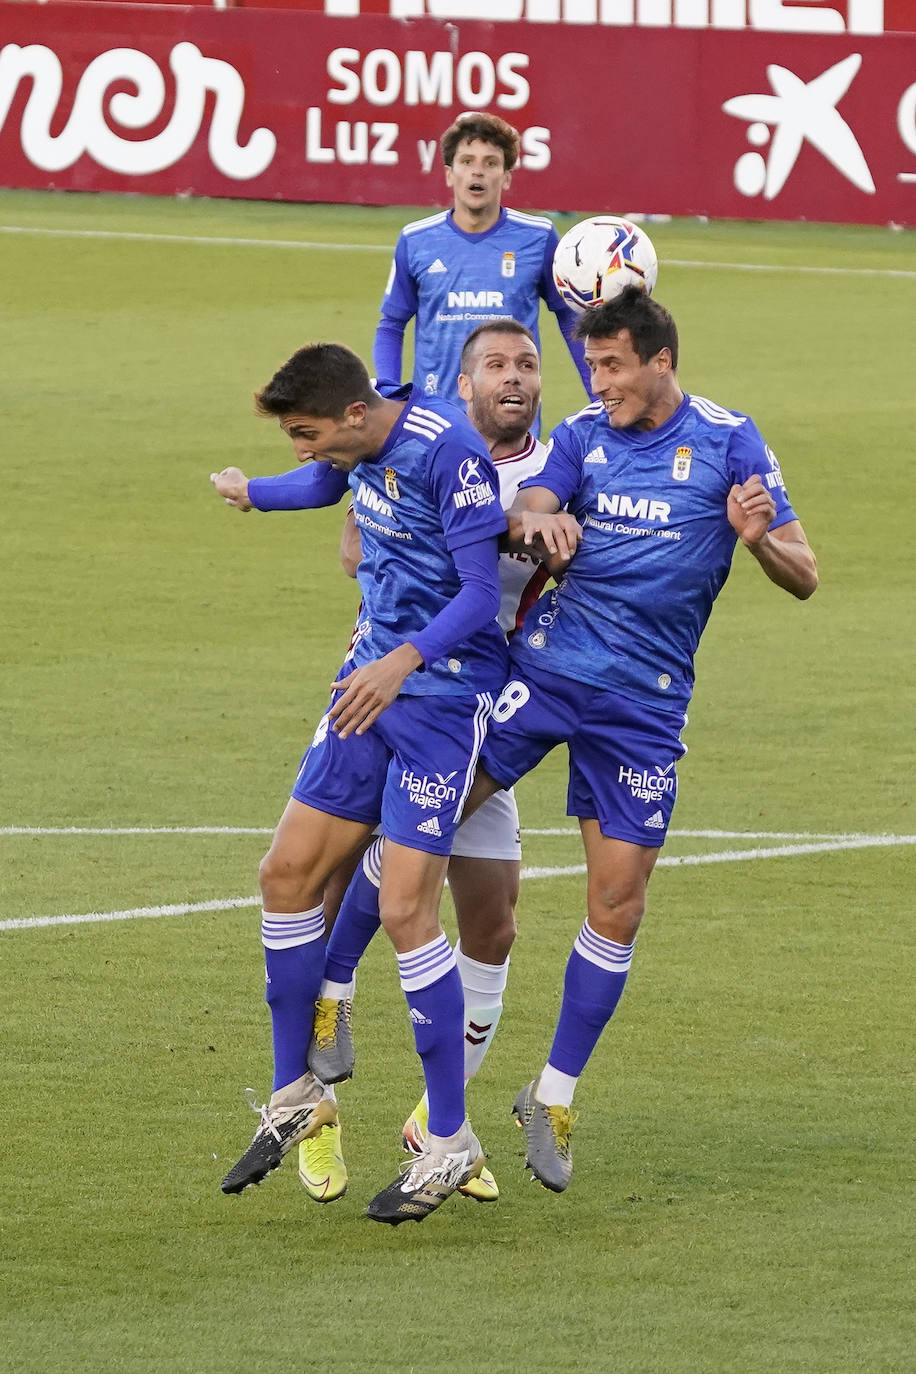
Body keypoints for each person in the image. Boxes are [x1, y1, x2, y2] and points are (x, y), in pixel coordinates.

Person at [322, 288, 819, 1195]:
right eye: (590, 367)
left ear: (662, 361)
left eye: (615, 367)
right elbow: (539, 494)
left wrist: (756, 543)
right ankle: (334, 993)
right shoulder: (587, 435)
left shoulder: (730, 440)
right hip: (544, 675)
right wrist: (540, 517)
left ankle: (550, 1095)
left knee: (619, 902)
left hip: (646, 705)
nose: (599, 384)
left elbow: (805, 573)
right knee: (421, 820)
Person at [214, 321, 551, 1208]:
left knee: (407, 909)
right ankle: (299, 1093)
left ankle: (447, 1138)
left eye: (308, 432)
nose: (306, 447)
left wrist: (402, 660)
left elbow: (482, 596)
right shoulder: (355, 447)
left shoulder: (451, 457)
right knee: (285, 875)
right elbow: (322, 484)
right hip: (366, 685)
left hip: (441, 701)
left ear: (356, 413)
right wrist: (257, 491)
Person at [373, 111, 591, 420]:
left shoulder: (538, 238)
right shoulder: (415, 240)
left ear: (506, 176)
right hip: (436, 422)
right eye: (467, 162)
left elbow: (570, 317)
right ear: (450, 174)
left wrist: (598, 396)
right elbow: (391, 325)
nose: (478, 172)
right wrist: (389, 394)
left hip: (514, 422)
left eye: (490, 163)